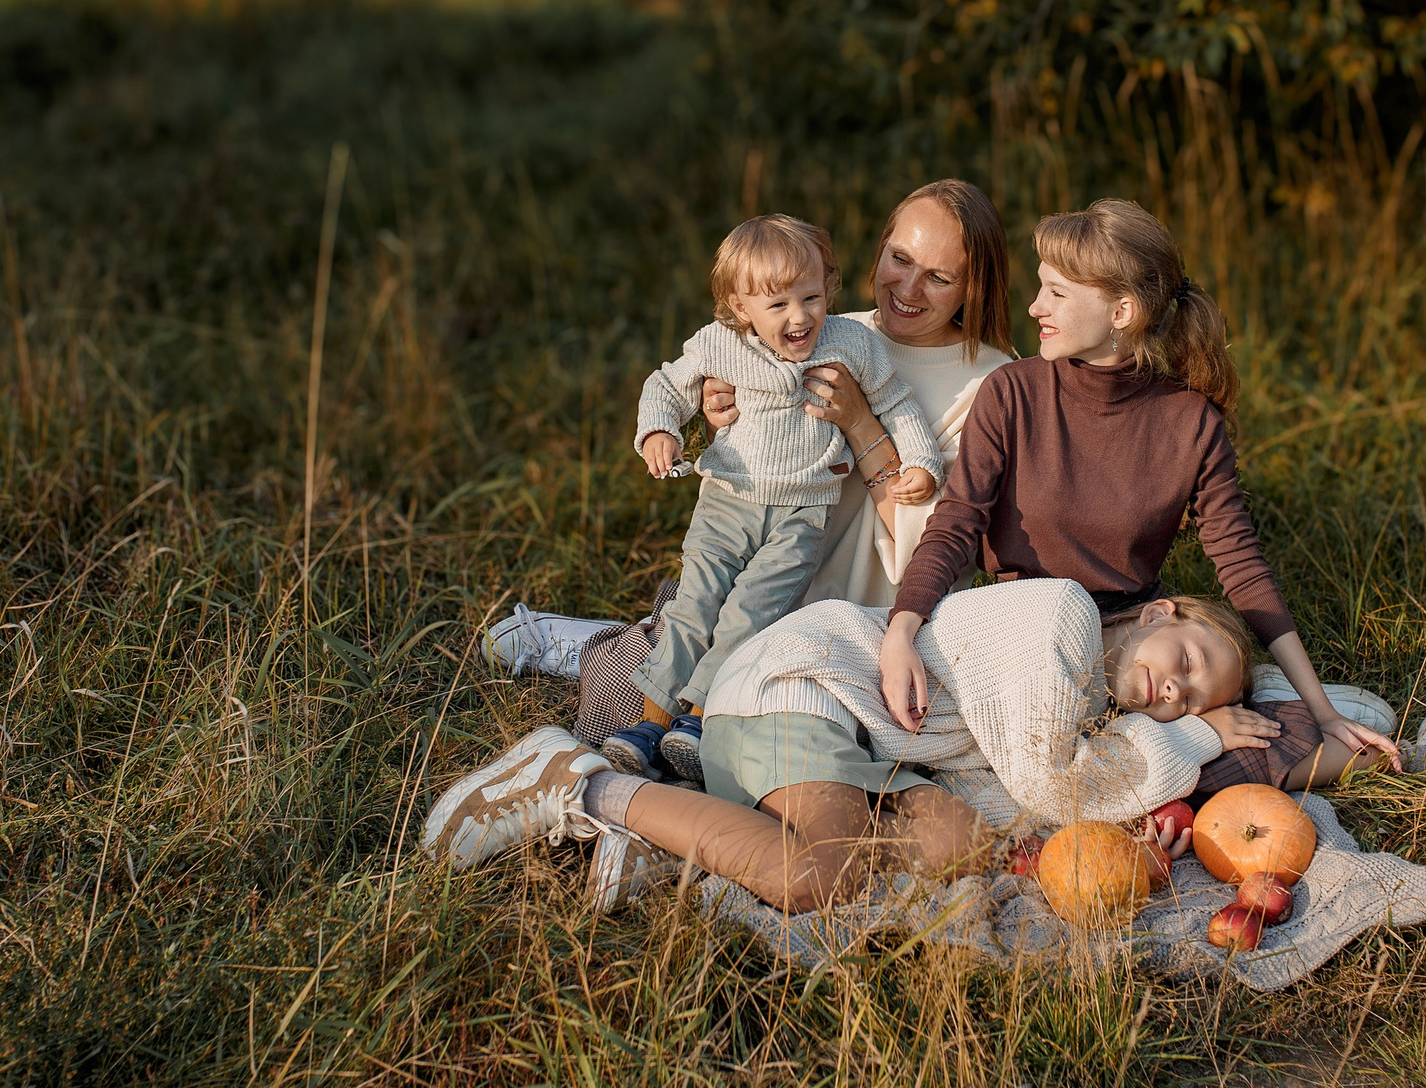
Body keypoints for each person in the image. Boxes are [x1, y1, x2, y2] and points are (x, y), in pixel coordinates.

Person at [484, 180, 1020, 773]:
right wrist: (718, 412)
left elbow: (936, 549)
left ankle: (617, 649)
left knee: (733, 749)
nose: (907, 288)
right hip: (755, 562)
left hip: (853, 624)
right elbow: (742, 423)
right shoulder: (824, 323)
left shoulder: (996, 387)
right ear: (881, 248)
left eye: (939, 278)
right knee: (629, 703)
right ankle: (607, 647)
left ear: (975, 287)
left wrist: (861, 425)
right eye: (900, 259)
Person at [879, 197, 1402, 797]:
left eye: (1056, 293)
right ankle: (1173, 773)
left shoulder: (1191, 423)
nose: (1035, 307)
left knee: (1311, 725)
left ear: (1122, 311)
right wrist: (902, 629)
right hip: (1028, 640)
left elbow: (1243, 569)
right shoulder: (1013, 393)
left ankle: (1162, 772)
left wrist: (1322, 710)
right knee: (1197, 749)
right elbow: (955, 527)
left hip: (1137, 650)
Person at [421, 577, 1282, 914]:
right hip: (798, 685)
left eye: (1193, 700)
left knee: (958, 844)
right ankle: (576, 785)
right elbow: (1056, 785)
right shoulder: (1065, 617)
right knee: (816, 878)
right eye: (1190, 662)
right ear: (1164, 610)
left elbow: (1023, 793)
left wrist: (1126, 841)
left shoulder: (1089, 705)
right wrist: (1194, 740)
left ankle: (671, 837)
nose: (1177, 693)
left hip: (858, 745)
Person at [591, 214, 942, 780]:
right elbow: (667, 384)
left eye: (810, 297)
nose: (799, 317)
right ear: (740, 307)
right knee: (694, 603)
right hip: (728, 502)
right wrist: (660, 429)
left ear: (829, 287)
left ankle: (700, 716)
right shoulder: (721, 344)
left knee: (750, 612)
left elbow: (897, 401)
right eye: (777, 305)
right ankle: (649, 722)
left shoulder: (851, 343)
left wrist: (921, 458)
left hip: (802, 516)